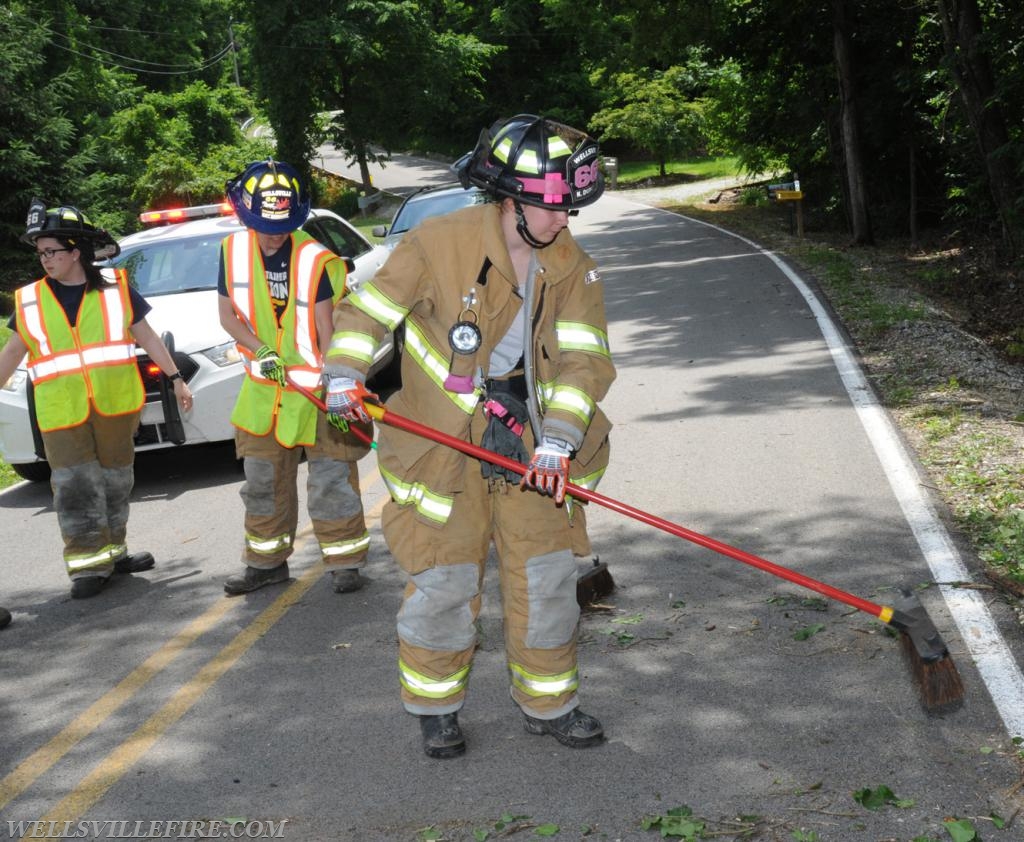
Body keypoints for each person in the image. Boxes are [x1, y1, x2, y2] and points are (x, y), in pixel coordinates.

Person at [325, 115, 615, 758]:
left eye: (570, 207)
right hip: (442, 451)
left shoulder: (572, 267)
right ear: (510, 199)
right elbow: (367, 313)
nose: (563, 221)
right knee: (444, 584)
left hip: (533, 453)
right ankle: (436, 708)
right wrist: (343, 374)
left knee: (545, 581)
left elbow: (583, 362)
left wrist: (558, 442)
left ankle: (551, 703)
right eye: (551, 208)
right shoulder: (438, 243)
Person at [0, 200, 193, 599]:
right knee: (73, 485)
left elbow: (147, 336)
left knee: (116, 481)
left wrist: (176, 378)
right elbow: (11, 354)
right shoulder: (30, 301)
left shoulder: (117, 289)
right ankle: (87, 566)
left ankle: (114, 552)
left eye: (51, 251)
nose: (44, 260)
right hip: (61, 412)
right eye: (40, 253)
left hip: (115, 406)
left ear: (75, 252)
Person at [217, 159, 372, 597]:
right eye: (264, 224)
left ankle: (345, 561)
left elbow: (327, 329)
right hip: (265, 394)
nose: (273, 233)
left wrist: (341, 381)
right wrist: (259, 349)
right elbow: (228, 315)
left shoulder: (314, 259)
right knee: (263, 483)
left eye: (283, 224)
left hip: (319, 392)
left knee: (331, 480)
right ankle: (265, 564)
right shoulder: (231, 252)